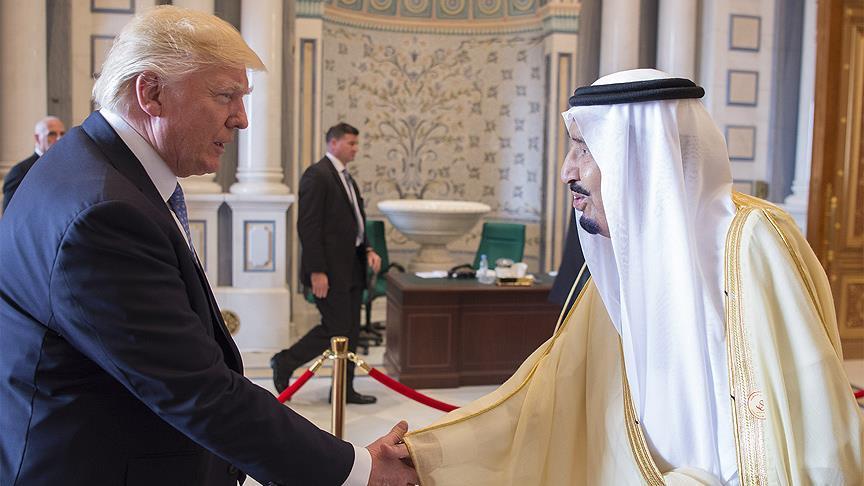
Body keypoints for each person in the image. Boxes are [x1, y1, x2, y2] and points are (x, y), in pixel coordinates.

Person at [0, 7, 417, 486]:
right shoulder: (104, 215)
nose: (241, 119)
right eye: (225, 96)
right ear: (151, 93)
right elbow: (198, 391)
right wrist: (359, 470)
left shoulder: (91, 167)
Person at [403, 69, 863, 484]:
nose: (567, 171)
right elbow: (547, 397)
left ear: (640, 154)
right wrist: (423, 457)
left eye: (584, 149)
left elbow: (813, 420)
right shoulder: (616, 263)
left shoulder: (750, 238)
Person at [271, 123, 382, 405]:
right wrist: (317, 270)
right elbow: (308, 227)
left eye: (356, 144)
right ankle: (284, 361)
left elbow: (356, 219)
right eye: (351, 143)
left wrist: (368, 248)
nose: (356, 149)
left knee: (351, 330)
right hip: (329, 271)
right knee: (336, 327)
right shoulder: (317, 175)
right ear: (333, 143)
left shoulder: (346, 177)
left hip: (352, 266)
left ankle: (343, 389)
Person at [2, 116, 66, 211]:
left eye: (62, 134)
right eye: (52, 134)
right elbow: (9, 214)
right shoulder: (20, 171)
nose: (59, 138)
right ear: (37, 138)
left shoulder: (66, 167)